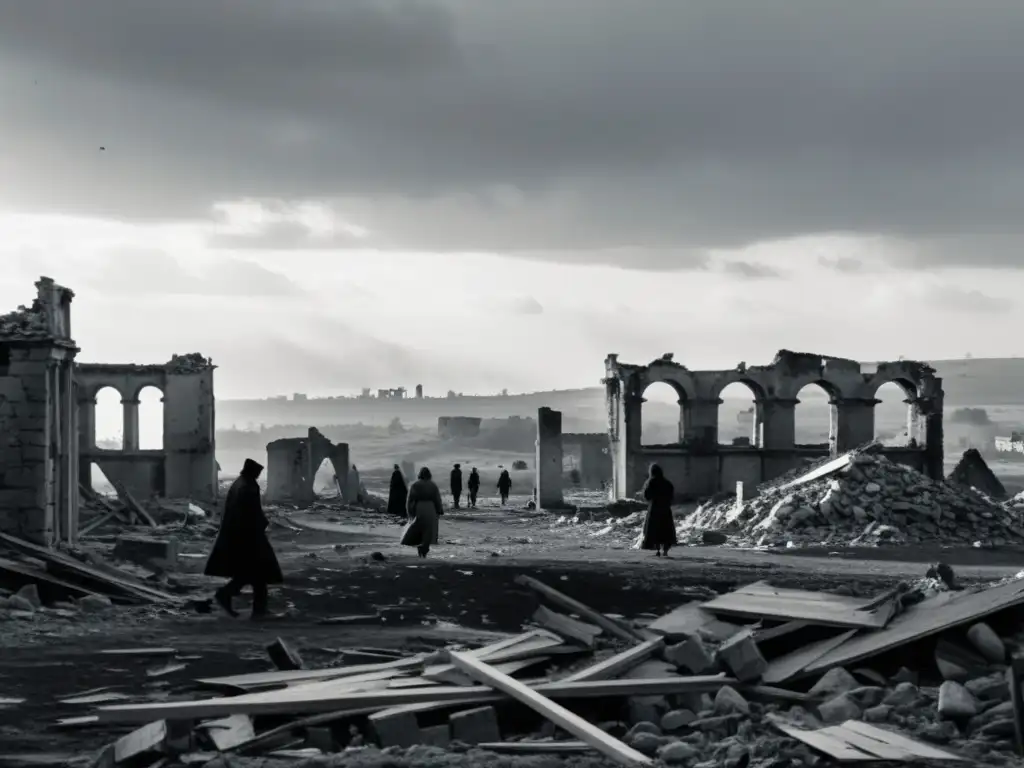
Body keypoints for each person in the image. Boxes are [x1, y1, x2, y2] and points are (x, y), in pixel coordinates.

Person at [205, 458, 283, 618]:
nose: (258, 474)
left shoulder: (238, 484)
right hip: (249, 537)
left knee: (252, 573)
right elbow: (252, 512)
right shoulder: (248, 486)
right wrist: (262, 524)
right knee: (258, 572)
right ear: (252, 471)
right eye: (258, 472)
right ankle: (255, 609)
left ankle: (232, 597)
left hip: (239, 536)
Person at [401, 467, 444, 557]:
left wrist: (409, 511)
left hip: (419, 507)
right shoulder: (433, 485)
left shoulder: (415, 485)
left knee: (418, 527)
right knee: (428, 530)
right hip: (430, 507)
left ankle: (419, 545)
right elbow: (437, 499)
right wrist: (439, 510)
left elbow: (410, 500)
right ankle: (424, 548)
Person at [640, 463, 677, 557]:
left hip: (655, 509)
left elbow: (646, 496)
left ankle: (657, 549)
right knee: (666, 530)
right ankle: (665, 550)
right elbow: (671, 496)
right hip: (665, 509)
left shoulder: (651, 482)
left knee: (655, 530)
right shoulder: (667, 483)